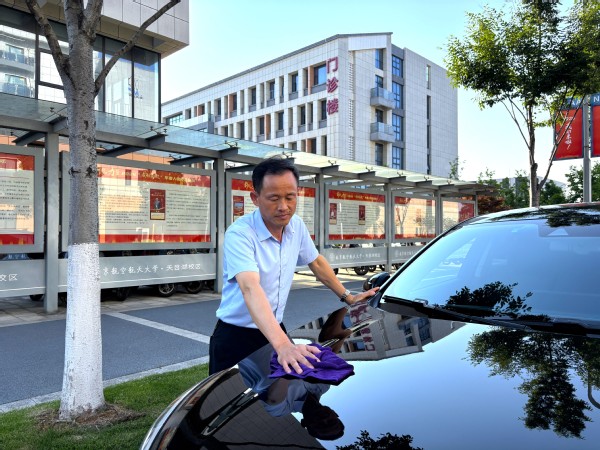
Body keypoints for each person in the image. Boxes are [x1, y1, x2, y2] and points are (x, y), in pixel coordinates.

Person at [209, 156, 379, 375]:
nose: (283, 207)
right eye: (274, 198)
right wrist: (283, 345)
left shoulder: (296, 225)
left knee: (285, 391)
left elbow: (316, 262)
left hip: (275, 328)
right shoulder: (240, 234)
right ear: (255, 198)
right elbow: (250, 287)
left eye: (290, 197)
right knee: (228, 395)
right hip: (236, 336)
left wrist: (349, 297)